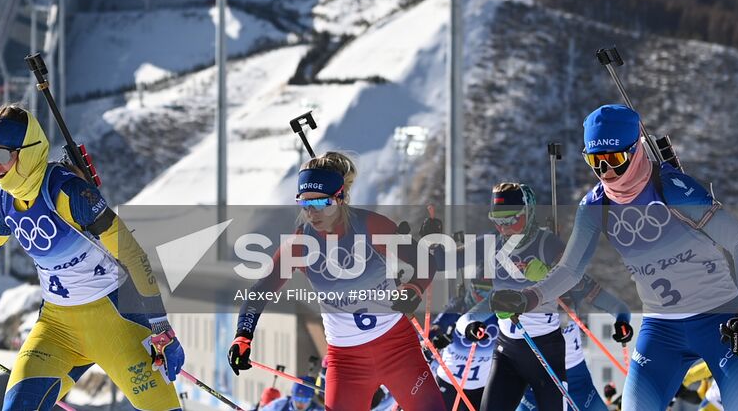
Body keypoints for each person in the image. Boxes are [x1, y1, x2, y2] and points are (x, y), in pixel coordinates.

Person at [491, 104, 738, 410]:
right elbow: (570, 270)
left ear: (635, 151)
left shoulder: (673, 189)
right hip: (662, 329)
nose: (607, 173)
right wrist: (527, 298)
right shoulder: (594, 205)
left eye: (615, 160)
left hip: (719, 320)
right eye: (596, 162)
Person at [0, 104, 185, 410]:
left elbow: (131, 252)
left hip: (115, 320)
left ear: (28, 152)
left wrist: (159, 324)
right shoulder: (2, 203)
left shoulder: (68, 192)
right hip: (57, 327)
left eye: (2, 155)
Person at [227, 151, 446, 411]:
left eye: (321, 204)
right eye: (305, 204)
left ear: (340, 197)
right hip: (346, 363)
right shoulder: (299, 247)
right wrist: (243, 336)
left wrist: (414, 288)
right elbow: (260, 291)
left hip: (398, 348)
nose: (311, 213)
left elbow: (425, 261)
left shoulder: (372, 227)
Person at [466, 181, 630, 411]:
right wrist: (471, 325)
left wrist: (622, 323)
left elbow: (616, 306)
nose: (503, 228)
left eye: (511, 219)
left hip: (573, 379)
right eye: (497, 221)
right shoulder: (504, 266)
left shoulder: (567, 275)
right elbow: (478, 311)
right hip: (523, 374)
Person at [428, 279, 497, 409]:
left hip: (479, 387)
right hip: (449, 382)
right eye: (480, 289)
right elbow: (435, 330)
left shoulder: (498, 313)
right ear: (472, 287)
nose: (483, 295)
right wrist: (435, 339)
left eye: (488, 290)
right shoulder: (458, 306)